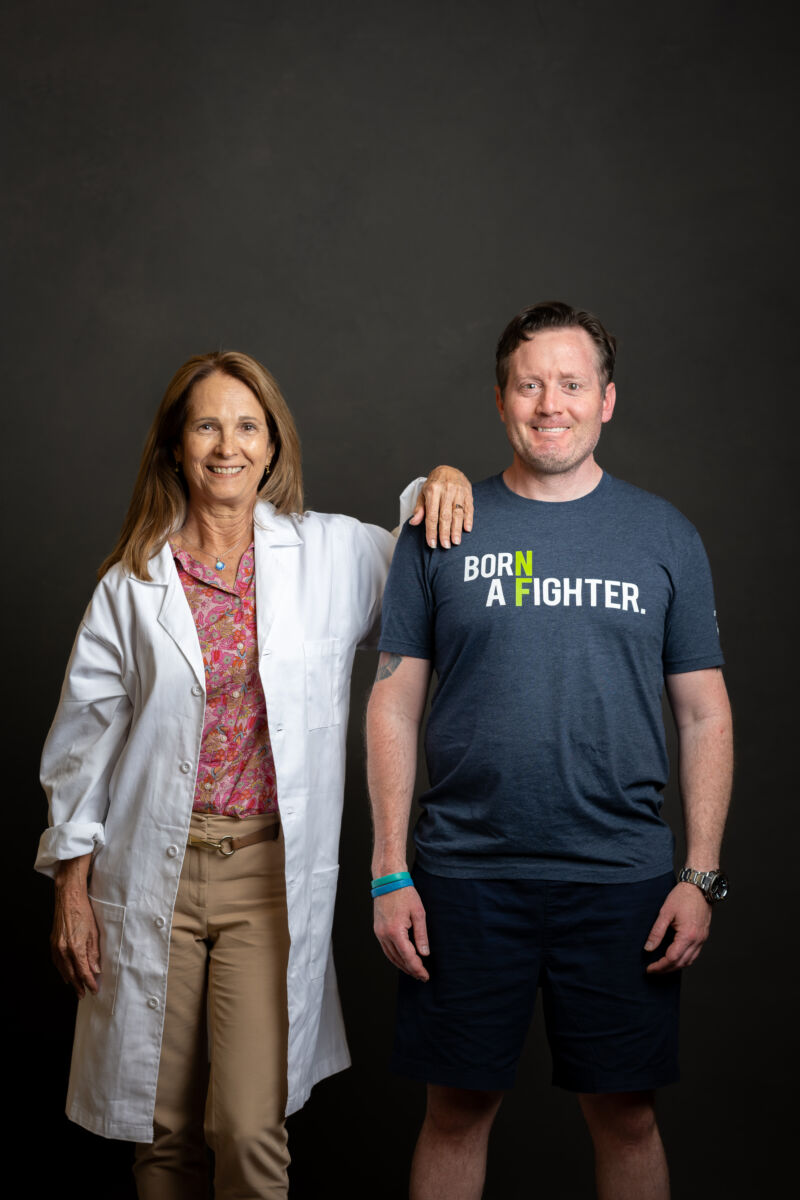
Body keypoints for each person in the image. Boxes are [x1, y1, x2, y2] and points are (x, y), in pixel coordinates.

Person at [36, 348, 473, 1200]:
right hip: (148, 874)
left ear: (273, 447)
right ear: (176, 446)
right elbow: (83, 745)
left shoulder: (329, 556)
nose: (226, 445)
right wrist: (72, 887)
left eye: (247, 425)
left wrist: (442, 480)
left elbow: (424, 560)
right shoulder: (132, 585)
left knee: (247, 1129)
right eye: (206, 425)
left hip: (265, 880)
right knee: (161, 1136)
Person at [366, 301, 733, 1200]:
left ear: (607, 400)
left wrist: (700, 874)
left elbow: (705, 716)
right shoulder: (443, 528)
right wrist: (387, 870)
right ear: (501, 401)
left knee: (626, 1115)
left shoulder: (665, 535)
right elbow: (393, 702)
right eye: (529, 385)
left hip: (621, 879)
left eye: (571, 384)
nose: (550, 403)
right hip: (462, 876)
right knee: (453, 1111)